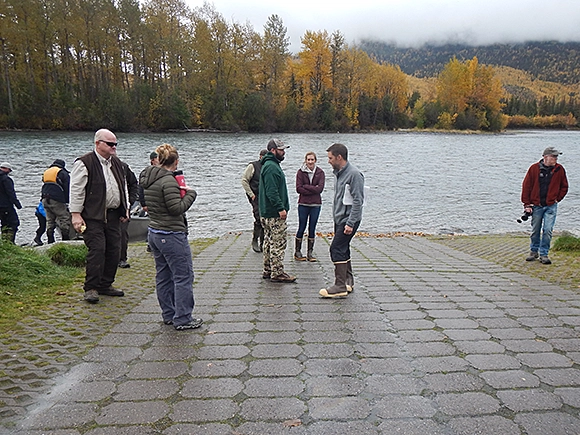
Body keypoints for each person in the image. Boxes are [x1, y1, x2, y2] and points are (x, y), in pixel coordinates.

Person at [139, 143, 203, 330]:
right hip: (171, 234)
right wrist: (191, 194)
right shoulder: (168, 181)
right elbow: (176, 208)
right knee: (183, 276)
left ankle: (169, 313)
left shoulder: (149, 178)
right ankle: (183, 318)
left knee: (164, 275)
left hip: (155, 232)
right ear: (175, 161)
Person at [70, 129, 129, 304]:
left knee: (114, 250)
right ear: (98, 143)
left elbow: (122, 186)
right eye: (110, 144)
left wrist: (125, 208)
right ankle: (91, 287)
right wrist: (75, 214)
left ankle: (105, 284)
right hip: (92, 216)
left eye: (115, 144)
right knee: (97, 250)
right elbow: (76, 190)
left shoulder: (117, 163)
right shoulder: (84, 163)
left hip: (113, 214)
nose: (114, 148)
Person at [320, 143, 364, 298]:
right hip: (340, 218)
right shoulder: (338, 173)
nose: (328, 161)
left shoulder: (354, 175)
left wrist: (350, 223)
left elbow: (358, 201)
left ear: (339, 157)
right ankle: (347, 281)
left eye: (330, 158)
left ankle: (339, 286)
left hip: (348, 220)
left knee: (336, 249)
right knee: (343, 247)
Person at [521, 146, 569, 265]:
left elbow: (564, 186)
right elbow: (526, 187)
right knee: (535, 230)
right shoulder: (533, 169)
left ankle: (544, 254)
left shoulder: (559, 169)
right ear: (545, 157)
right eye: (554, 156)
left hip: (551, 205)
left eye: (556, 157)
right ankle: (533, 251)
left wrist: (557, 198)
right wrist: (526, 204)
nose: (556, 159)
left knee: (547, 230)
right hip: (536, 205)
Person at [259, 139, 296, 283]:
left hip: (266, 212)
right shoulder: (271, 167)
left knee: (268, 241)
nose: (283, 152)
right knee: (278, 242)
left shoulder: (268, 165)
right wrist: (281, 208)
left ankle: (268, 270)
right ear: (273, 150)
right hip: (273, 213)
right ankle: (277, 272)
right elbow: (272, 191)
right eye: (281, 150)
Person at [295, 151, 325, 262]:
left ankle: (310, 253)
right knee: (301, 227)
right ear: (305, 160)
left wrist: (306, 187)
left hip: (316, 204)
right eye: (308, 160)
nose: (310, 162)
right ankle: (297, 252)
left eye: (312, 160)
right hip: (303, 203)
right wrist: (313, 188)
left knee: (312, 228)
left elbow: (320, 189)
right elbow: (298, 188)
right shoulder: (300, 172)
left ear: (315, 160)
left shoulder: (320, 172)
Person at [241, 148, 268, 252]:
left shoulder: (268, 166)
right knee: (258, 216)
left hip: (265, 197)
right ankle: (255, 240)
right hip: (255, 195)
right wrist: (251, 194)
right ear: (260, 156)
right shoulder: (252, 166)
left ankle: (263, 242)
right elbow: (244, 180)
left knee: (264, 218)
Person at [41, 159, 73, 243]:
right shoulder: (62, 173)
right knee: (64, 218)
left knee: (50, 219)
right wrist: (67, 201)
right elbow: (67, 188)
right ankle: (65, 240)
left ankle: (50, 240)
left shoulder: (46, 172)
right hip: (57, 199)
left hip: (45, 198)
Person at [118, 162, 139, 268]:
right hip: (102, 208)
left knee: (122, 233)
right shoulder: (95, 166)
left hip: (123, 207)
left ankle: (122, 258)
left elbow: (134, 184)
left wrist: (130, 202)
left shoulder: (124, 167)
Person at [0, 162, 22, 243]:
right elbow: (10, 193)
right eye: (9, 170)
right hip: (6, 205)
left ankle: (4, 242)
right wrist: (17, 204)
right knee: (14, 223)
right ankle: (10, 242)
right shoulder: (6, 179)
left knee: (4, 223)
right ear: (7, 169)